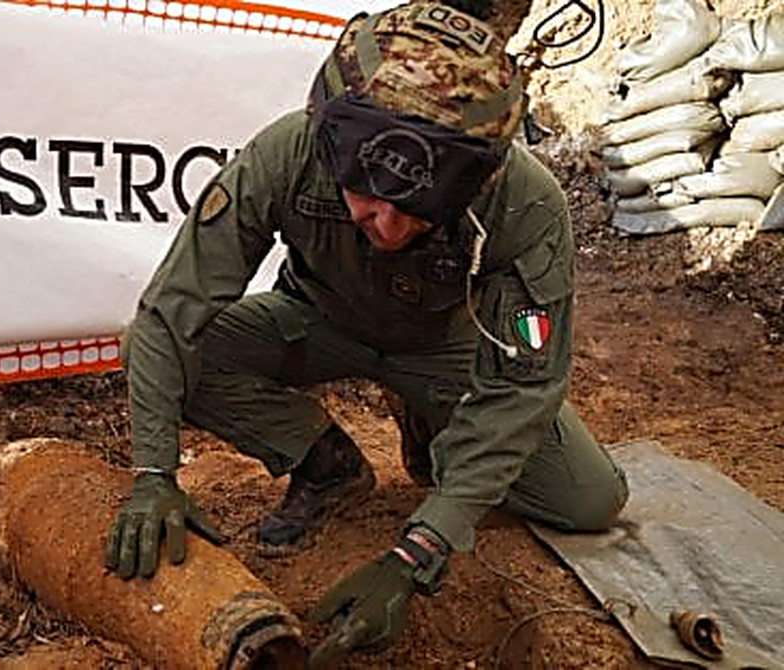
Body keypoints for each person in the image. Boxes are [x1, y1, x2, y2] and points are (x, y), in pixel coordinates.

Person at [104, 2, 629, 664]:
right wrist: (154, 473)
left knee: (589, 499)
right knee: (155, 353)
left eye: (417, 209)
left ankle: (428, 420)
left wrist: (420, 551)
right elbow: (168, 316)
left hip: (446, 349)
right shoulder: (285, 154)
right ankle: (326, 461)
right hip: (317, 321)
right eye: (365, 196)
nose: (384, 226)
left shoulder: (524, 203)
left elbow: (524, 389)